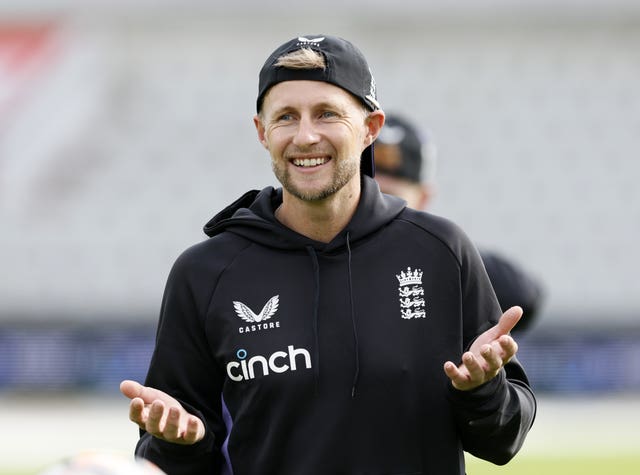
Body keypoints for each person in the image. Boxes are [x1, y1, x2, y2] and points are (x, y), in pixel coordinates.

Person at [120, 34, 536, 475]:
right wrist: (178, 444)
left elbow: (502, 441)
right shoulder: (204, 273)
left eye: (327, 114)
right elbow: (165, 453)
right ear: (263, 133)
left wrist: (483, 391)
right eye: (286, 117)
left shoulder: (441, 251)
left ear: (370, 129)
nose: (305, 136)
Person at [374, 113, 545, 333]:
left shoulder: (438, 257)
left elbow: (522, 294)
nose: (376, 205)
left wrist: (445, 255)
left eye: (389, 196)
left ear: (423, 197)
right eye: (367, 190)